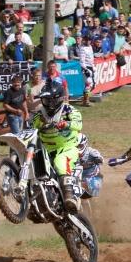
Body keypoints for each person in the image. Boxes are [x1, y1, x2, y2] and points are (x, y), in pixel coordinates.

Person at [31, 80, 83, 211]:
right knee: (34, 167)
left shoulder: (69, 110)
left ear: (59, 99)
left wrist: (66, 124)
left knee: (60, 163)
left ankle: (70, 197)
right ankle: (31, 201)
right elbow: (31, 126)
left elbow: (78, 124)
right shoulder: (39, 114)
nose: (49, 104)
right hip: (46, 151)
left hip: (66, 148)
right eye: (45, 100)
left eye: (51, 100)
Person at [77, 134, 103, 199]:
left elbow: (101, 159)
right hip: (77, 174)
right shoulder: (70, 151)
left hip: (92, 173)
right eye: (76, 146)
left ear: (85, 144)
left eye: (80, 146)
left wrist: (98, 159)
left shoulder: (91, 151)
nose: (78, 148)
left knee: (95, 190)